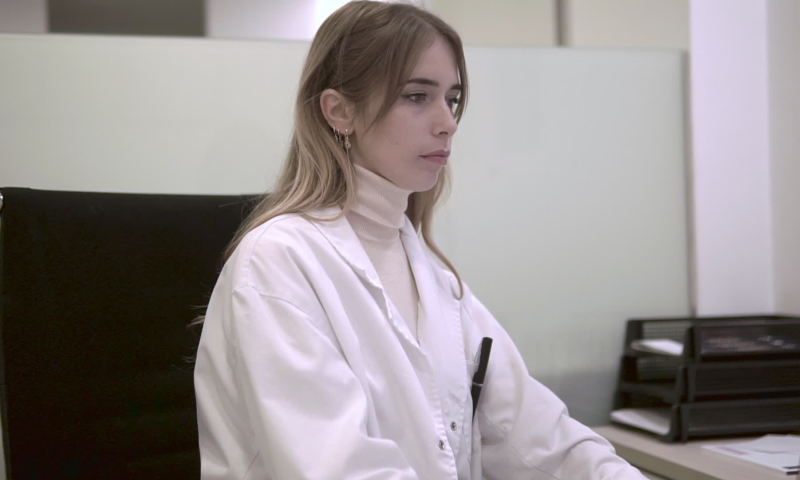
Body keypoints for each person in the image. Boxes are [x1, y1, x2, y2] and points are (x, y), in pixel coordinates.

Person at [193, 1, 647, 479]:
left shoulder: (432, 277)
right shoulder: (278, 264)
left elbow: (543, 441)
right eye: (416, 96)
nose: (447, 122)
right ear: (339, 110)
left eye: (451, 99)